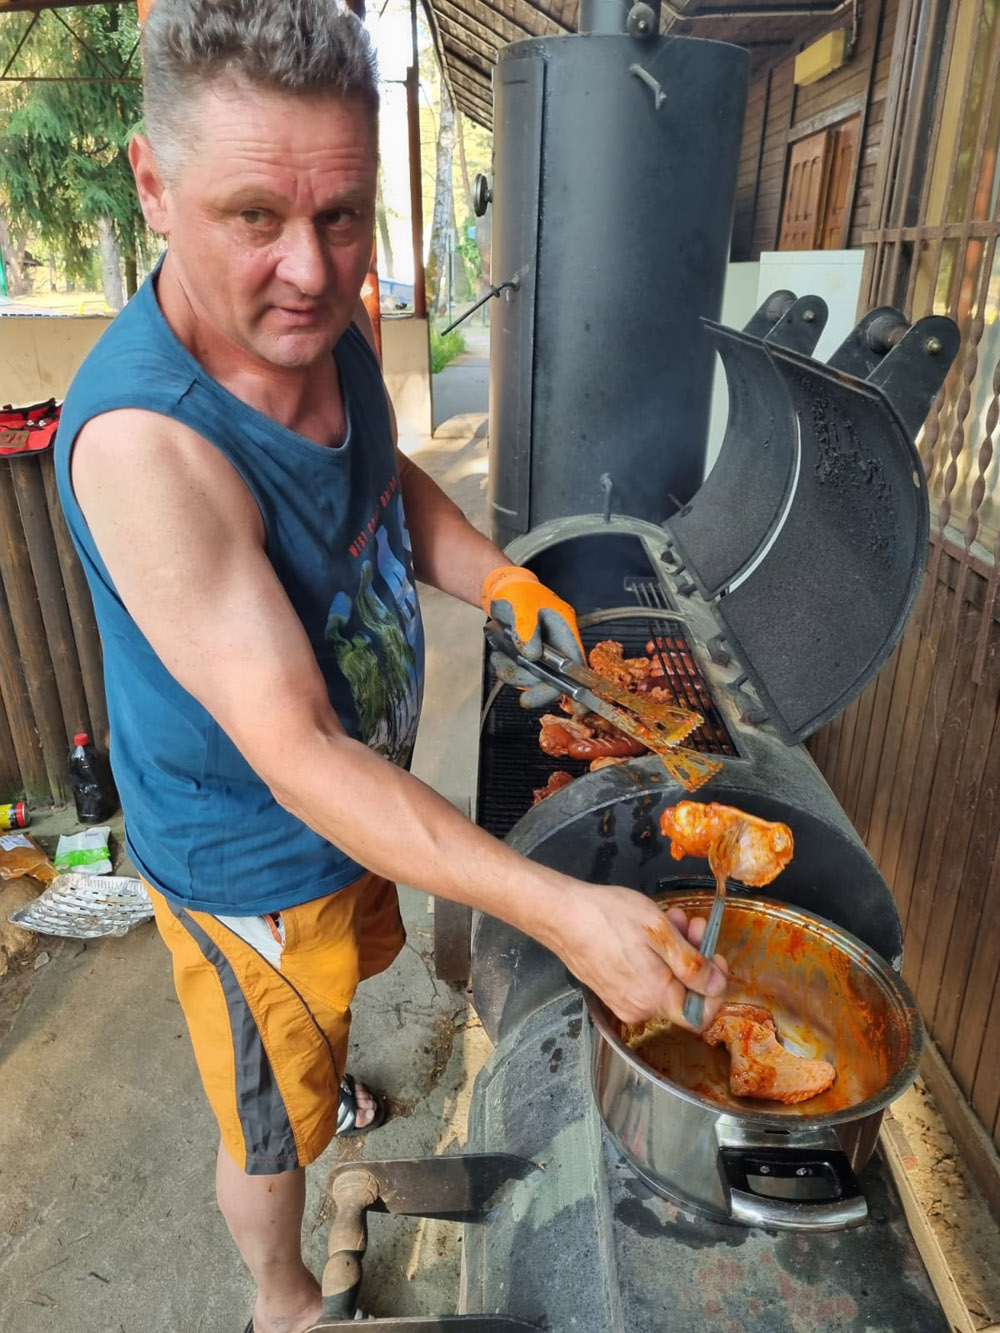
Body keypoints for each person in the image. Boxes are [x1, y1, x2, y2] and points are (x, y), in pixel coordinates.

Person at [54, 3, 728, 1331]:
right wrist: (565, 912)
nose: (310, 269)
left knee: (338, 1000)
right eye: (255, 216)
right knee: (268, 1123)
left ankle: (332, 1075)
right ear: (153, 184)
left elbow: (386, 475)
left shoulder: (318, 319)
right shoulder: (147, 448)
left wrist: (497, 577)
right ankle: (282, 1291)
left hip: (355, 814)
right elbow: (302, 754)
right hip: (252, 861)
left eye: (343, 215)